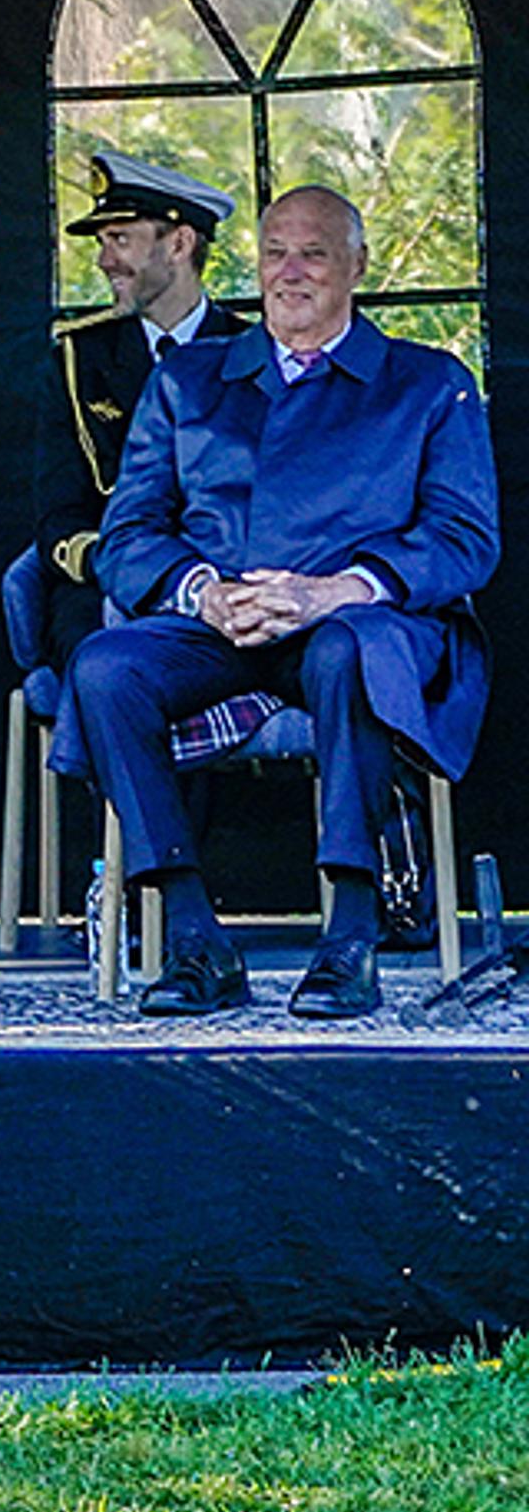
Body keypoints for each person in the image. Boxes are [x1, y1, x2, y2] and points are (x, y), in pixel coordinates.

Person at [77, 183, 498, 1020]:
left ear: (357, 266)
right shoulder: (189, 381)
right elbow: (127, 534)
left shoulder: (427, 382)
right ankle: (194, 937)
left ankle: (351, 937)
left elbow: (465, 537)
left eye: (314, 254)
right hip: (223, 623)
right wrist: (203, 593)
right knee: (103, 668)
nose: (291, 272)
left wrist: (335, 591)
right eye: (276, 254)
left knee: (348, 651)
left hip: (357, 620)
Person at [37, 148, 247, 676]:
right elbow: (60, 513)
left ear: (179, 243)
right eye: (103, 243)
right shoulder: (78, 359)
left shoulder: (253, 353)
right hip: (112, 575)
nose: (105, 261)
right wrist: (128, 567)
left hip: (233, 576)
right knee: (93, 660)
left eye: (121, 240)